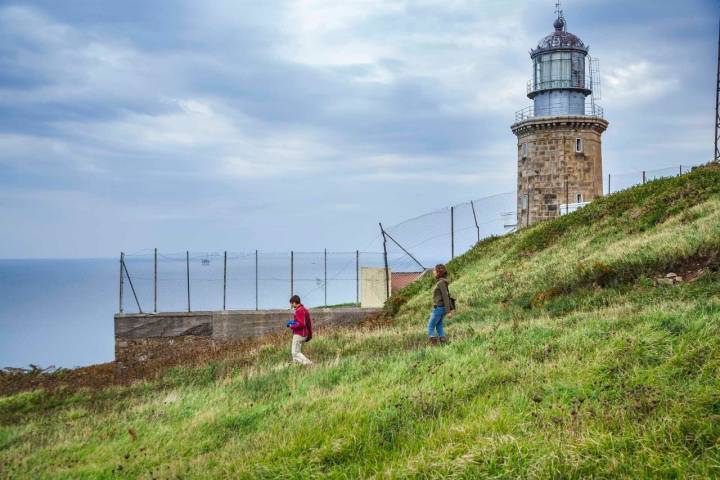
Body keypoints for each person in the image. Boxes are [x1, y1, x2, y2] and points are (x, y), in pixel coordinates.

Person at [428, 264, 454, 345]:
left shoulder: (441, 283)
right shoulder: (443, 282)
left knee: (430, 326)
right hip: (441, 308)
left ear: (439, 272)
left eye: (435, 270)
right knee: (439, 325)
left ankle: (433, 345)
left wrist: (448, 311)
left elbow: (445, 296)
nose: (433, 271)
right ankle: (443, 343)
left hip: (439, 308)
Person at [286, 295, 313, 365]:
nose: (291, 305)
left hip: (299, 334)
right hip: (304, 334)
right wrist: (310, 334)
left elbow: (301, 324)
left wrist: (291, 325)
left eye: (291, 303)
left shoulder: (299, 310)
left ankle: (309, 364)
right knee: (296, 353)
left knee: (295, 352)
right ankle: (296, 367)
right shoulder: (304, 309)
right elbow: (307, 323)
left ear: (294, 302)